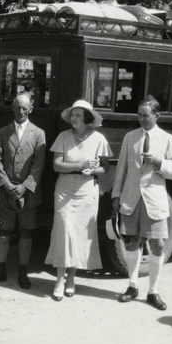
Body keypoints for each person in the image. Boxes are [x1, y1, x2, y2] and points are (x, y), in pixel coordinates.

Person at [112, 94, 172, 310]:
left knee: (158, 244)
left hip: (154, 199)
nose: (142, 119)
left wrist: (160, 161)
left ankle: (153, 291)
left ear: (157, 116)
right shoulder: (130, 137)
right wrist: (116, 197)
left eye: (146, 115)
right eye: (139, 115)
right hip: (131, 198)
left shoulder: (166, 138)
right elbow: (121, 169)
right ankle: (132, 286)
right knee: (131, 241)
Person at [45, 100, 111, 301]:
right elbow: (56, 165)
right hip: (64, 190)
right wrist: (80, 164)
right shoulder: (63, 137)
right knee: (64, 233)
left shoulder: (99, 139)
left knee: (80, 237)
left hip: (87, 193)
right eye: (72, 115)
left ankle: (71, 279)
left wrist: (93, 169)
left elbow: (105, 168)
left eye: (77, 115)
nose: (73, 118)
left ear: (87, 118)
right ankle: (59, 280)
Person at [0, 94, 46, 289]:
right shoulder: (3, 132)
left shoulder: (38, 133)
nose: (21, 112)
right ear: (12, 107)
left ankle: (22, 271)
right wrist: (6, 185)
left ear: (31, 109)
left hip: (28, 193)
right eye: (18, 107)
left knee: (26, 232)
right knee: (3, 231)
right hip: (5, 194)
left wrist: (24, 186)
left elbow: (38, 164)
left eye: (24, 108)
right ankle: (0, 269)